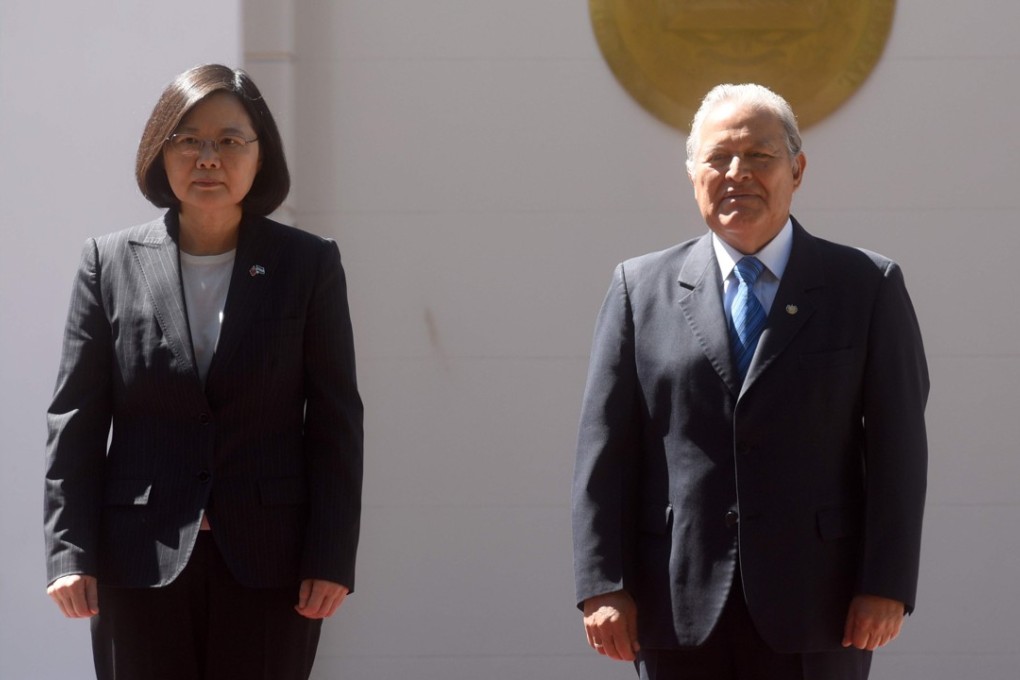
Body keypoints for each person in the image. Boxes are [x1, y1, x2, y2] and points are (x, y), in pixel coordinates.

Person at [572, 83, 928, 680]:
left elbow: (898, 450)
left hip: (822, 606)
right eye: (717, 158)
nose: (737, 173)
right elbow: (605, 448)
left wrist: (886, 583)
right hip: (676, 605)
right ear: (693, 174)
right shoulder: (640, 289)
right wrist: (602, 584)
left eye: (759, 156)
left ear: (797, 168)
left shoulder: (865, 286)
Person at [43, 64, 363, 680]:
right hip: (138, 558)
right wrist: (68, 554)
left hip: (273, 562)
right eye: (188, 139)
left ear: (259, 155)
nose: (208, 157)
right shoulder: (108, 263)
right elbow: (75, 419)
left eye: (230, 140)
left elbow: (335, 423)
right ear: (160, 153)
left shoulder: (309, 264)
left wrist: (331, 556)